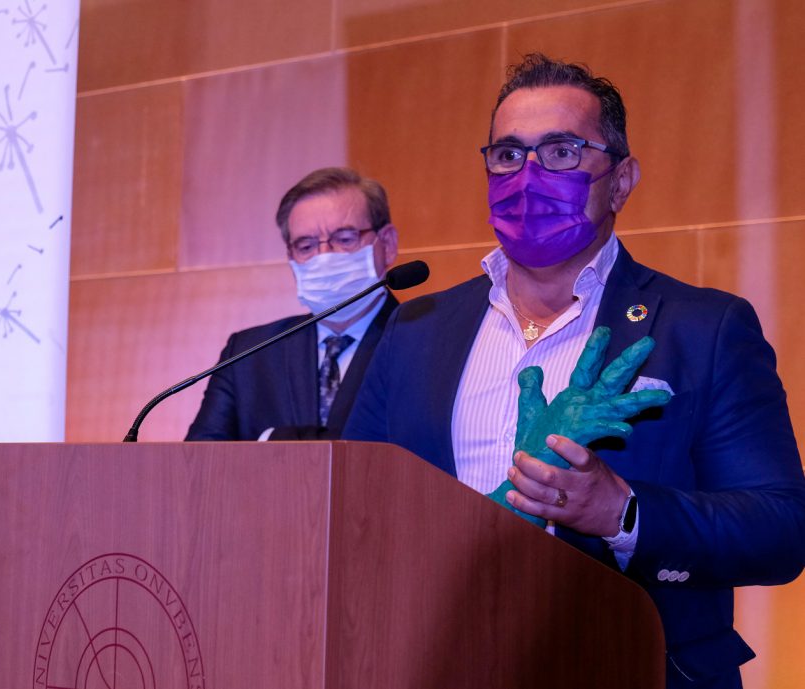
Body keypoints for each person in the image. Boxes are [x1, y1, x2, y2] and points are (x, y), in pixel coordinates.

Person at [343, 54, 805, 688]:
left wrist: (622, 512)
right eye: (508, 155)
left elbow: (779, 531)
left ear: (620, 180)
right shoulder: (418, 327)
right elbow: (355, 512)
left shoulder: (705, 329)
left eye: (561, 152)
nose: (528, 175)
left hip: (635, 667)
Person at [186, 167, 399, 441]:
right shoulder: (249, 353)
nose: (324, 257)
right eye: (306, 246)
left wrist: (272, 440)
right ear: (291, 257)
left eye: (345, 239)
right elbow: (201, 458)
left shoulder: (424, 343)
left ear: (388, 244)